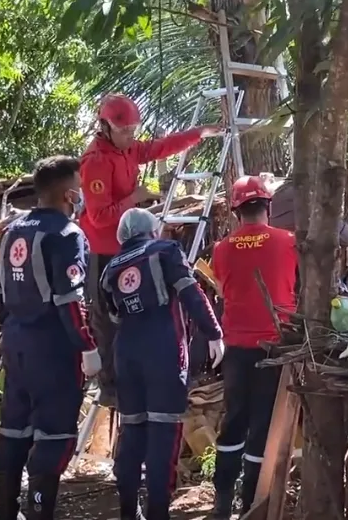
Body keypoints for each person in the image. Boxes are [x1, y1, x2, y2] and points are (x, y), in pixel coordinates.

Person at [79, 93, 219, 407]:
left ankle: (135, 376)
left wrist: (198, 134)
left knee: (136, 312)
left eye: (133, 129)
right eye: (124, 130)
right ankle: (111, 388)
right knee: (106, 318)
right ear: (105, 127)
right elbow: (99, 217)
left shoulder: (127, 149)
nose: (131, 136)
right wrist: (136, 196)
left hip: (126, 248)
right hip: (103, 250)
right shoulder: (96, 161)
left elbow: (158, 148)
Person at [0, 156, 100, 520]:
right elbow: (71, 300)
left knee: (14, 430)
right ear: (69, 194)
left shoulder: (11, 231)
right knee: (53, 438)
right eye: (80, 189)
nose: (82, 195)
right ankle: (39, 513)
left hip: (17, 345)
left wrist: (16, 329)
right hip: (55, 350)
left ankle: (7, 513)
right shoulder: (67, 235)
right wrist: (87, 346)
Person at [101, 208, 224, 520]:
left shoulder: (110, 270)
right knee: (163, 435)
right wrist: (213, 331)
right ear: (152, 230)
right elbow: (191, 293)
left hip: (126, 354)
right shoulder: (165, 251)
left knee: (132, 434)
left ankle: (129, 513)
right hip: (164, 352)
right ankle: (158, 513)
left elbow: (113, 317)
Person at [208, 176, 299, 519]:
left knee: (233, 421)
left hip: (236, 347)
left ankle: (221, 503)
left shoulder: (221, 249)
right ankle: (250, 504)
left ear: (236, 212)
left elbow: (221, 286)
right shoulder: (288, 242)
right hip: (274, 345)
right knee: (262, 424)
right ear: (268, 206)